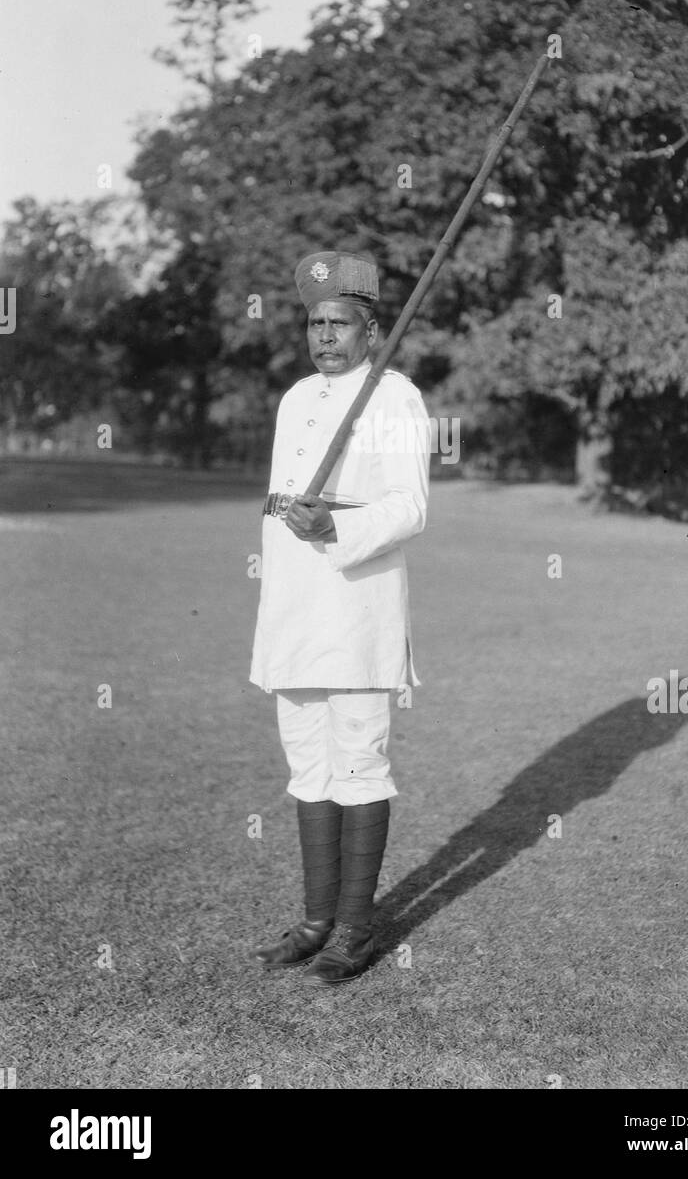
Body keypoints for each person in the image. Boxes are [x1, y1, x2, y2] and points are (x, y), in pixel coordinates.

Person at [250, 250, 431, 985]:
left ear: (371, 329)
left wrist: (334, 527)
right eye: (316, 323)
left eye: (341, 324)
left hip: (356, 611)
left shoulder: (395, 399)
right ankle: (315, 921)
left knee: (359, 766)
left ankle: (354, 930)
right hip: (294, 612)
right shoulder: (296, 399)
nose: (326, 337)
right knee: (308, 766)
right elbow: (277, 505)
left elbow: (410, 507)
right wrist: (295, 518)